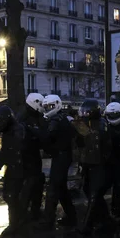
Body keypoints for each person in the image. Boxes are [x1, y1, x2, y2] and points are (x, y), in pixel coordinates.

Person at [74, 99, 112, 234]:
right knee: (89, 190)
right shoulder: (88, 123)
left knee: (94, 193)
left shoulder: (101, 124)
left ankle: (87, 225)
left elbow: (96, 141)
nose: (84, 114)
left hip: (99, 164)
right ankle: (105, 219)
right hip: (89, 163)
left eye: (86, 112)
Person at [41, 94, 77, 229]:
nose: (47, 109)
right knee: (61, 189)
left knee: (54, 188)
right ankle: (71, 216)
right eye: (46, 107)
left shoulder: (56, 120)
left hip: (61, 156)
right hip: (64, 156)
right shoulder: (64, 118)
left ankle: (48, 220)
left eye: (49, 106)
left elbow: (48, 137)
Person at [0, 105, 27, 238]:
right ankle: (17, 221)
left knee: (11, 195)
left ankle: (15, 223)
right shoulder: (10, 130)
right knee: (8, 195)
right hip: (13, 167)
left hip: (17, 168)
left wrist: (1, 159)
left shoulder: (16, 130)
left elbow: (13, 150)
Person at [17, 93, 48, 221]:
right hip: (29, 154)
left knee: (33, 181)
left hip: (29, 153)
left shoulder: (26, 116)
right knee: (32, 182)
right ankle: (28, 209)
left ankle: (28, 209)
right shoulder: (29, 119)